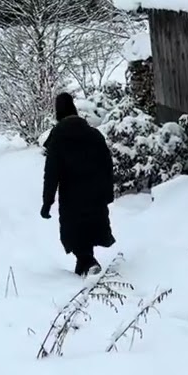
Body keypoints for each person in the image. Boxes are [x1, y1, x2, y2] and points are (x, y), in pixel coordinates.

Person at [41, 92, 116, 276]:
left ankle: (88, 264)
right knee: (89, 230)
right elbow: (107, 165)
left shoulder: (57, 138)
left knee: (76, 233)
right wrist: (107, 193)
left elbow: (51, 173)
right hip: (95, 193)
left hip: (71, 196)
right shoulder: (94, 134)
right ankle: (85, 269)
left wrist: (47, 202)